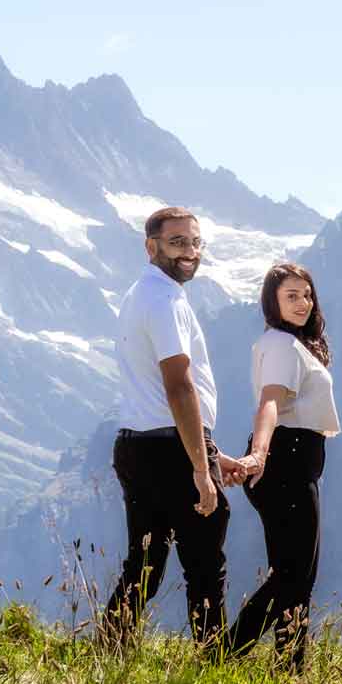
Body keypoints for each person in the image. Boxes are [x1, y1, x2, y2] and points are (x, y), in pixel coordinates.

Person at [100, 206, 248, 646]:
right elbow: (178, 387)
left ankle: (108, 651)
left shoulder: (140, 294)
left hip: (137, 444)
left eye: (195, 242)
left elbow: (153, 399)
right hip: (172, 453)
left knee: (144, 563)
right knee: (204, 565)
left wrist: (211, 452)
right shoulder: (164, 300)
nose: (190, 252)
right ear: (152, 247)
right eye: (177, 242)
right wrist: (202, 471)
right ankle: (213, 667)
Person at [225, 261, 340, 669]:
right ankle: (222, 655)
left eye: (307, 294)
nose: (303, 303)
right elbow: (270, 402)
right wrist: (259, 453)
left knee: (294, 576)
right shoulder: (281, 345)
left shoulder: (294, 344)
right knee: (293, 576)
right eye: (291, 295)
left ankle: (288, 669)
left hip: (294, 466)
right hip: (285, 465)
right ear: (272, 302)